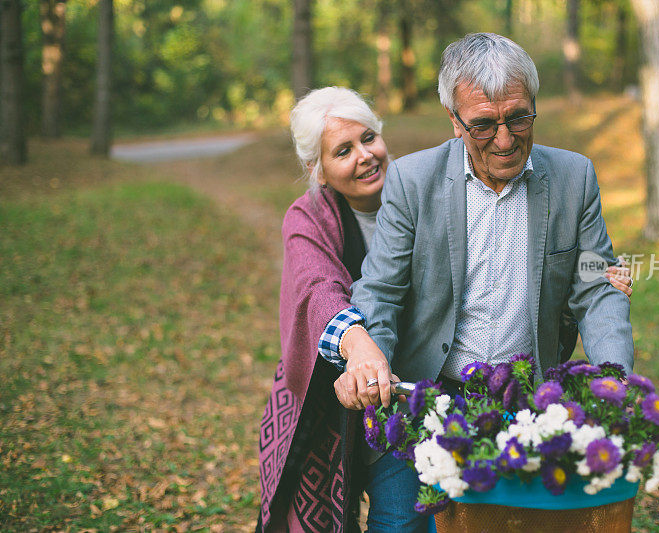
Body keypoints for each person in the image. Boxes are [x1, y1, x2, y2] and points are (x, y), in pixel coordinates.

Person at [257, 82, 632, 531]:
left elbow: (587, 279)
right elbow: (328, 289)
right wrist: (359, 347)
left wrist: (595, 286)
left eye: (369, 138)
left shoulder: (422, 180)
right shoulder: (325, 213)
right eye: (342, 151)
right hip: (382, 375)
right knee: (395, 518)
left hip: (511, 390)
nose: (364, 156)